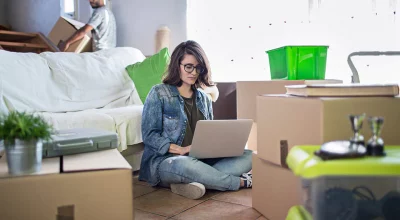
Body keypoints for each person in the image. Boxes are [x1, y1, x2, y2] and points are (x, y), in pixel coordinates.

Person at [139, 40, 252, 200]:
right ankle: (240, 182)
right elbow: (149, 135)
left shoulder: (204, 99)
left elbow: (209, 134)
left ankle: (194, 181)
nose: (193, 72)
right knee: (183, 165)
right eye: (188, 66)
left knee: (248, 155)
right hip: (168, 161)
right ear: (177, 65)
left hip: (200, 160)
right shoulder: (158, 93)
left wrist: (218, 146)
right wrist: (179, 150)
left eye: (198, 68)